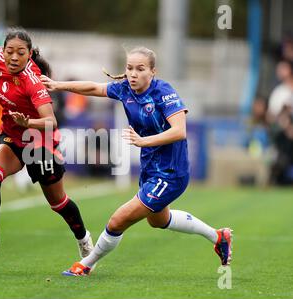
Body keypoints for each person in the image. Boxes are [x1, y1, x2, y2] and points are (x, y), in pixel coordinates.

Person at [41, 47, 233, 276]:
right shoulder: (124, 89)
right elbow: (94, 87)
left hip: (171, 172)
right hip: (151, 169)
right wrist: (57, 84)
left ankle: (86, 264)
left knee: (117, 220)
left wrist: (144, 141)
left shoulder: (164, 92)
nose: (133, 74)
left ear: (153, 71)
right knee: (159, 220)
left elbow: (180, 131)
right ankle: (218, 236)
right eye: (129, 68)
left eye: (140, 69)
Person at [0, 28, 94, 260]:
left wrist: (28, 121)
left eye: (20, 53)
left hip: (40, 142)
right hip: (12, 136)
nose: (14, 57)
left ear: (29, 55)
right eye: (10, 52)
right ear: (4, 52)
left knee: (58, 203)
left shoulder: (32, 81)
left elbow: (51, 122)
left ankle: (84, 240)